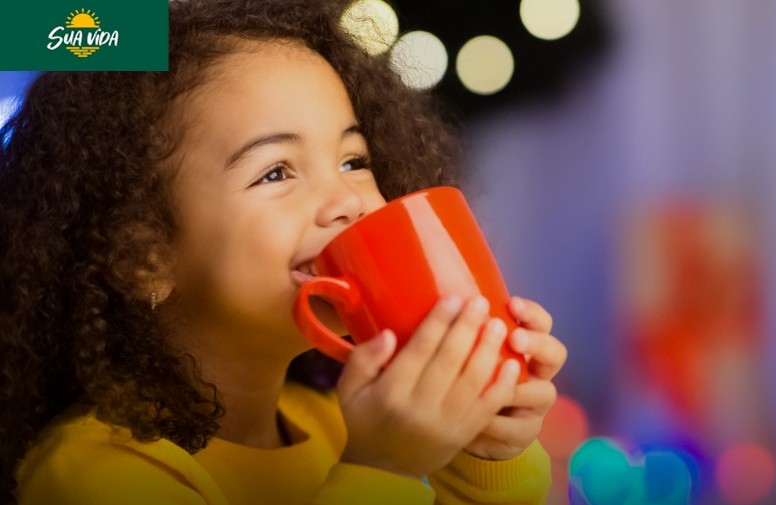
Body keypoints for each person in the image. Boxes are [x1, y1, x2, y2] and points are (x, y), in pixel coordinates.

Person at [0, 0, 568, 504]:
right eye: (276, 172)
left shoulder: (345, 421)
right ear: (142, 256)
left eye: (354, 161)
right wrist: (384, 470)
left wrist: (483, 449)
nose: (347, 200)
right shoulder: (93, 474)